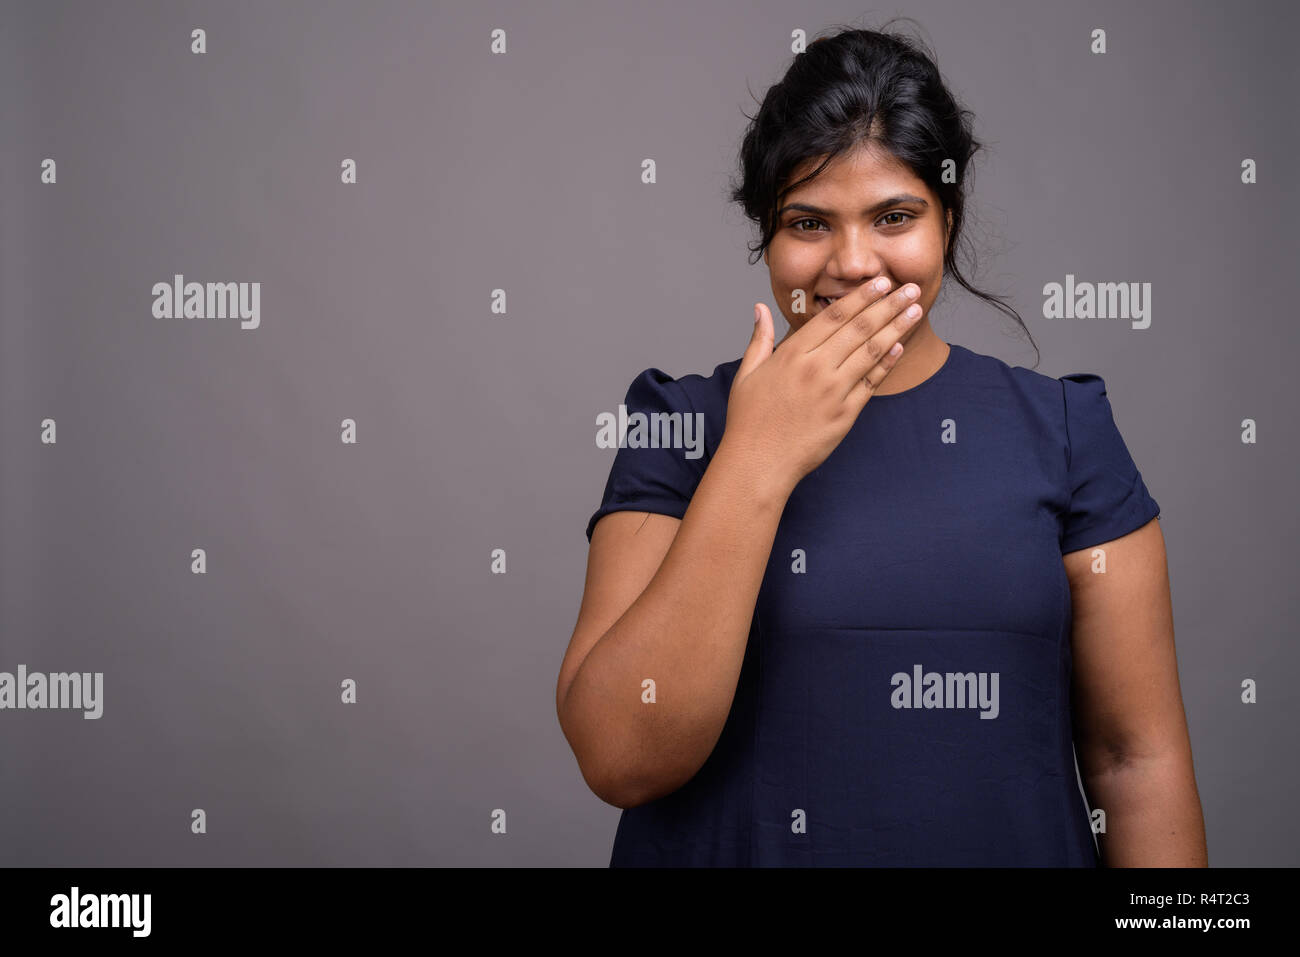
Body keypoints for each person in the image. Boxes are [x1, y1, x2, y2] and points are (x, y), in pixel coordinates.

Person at [556, 23, 1206, 867]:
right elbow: (620, 755)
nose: (854, 263)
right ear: (766, 235)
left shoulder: (1065, 433)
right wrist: (758, 455)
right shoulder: (680, 424)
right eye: (808, 222)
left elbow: (1137, 762)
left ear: (948, 218)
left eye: (894, 216)